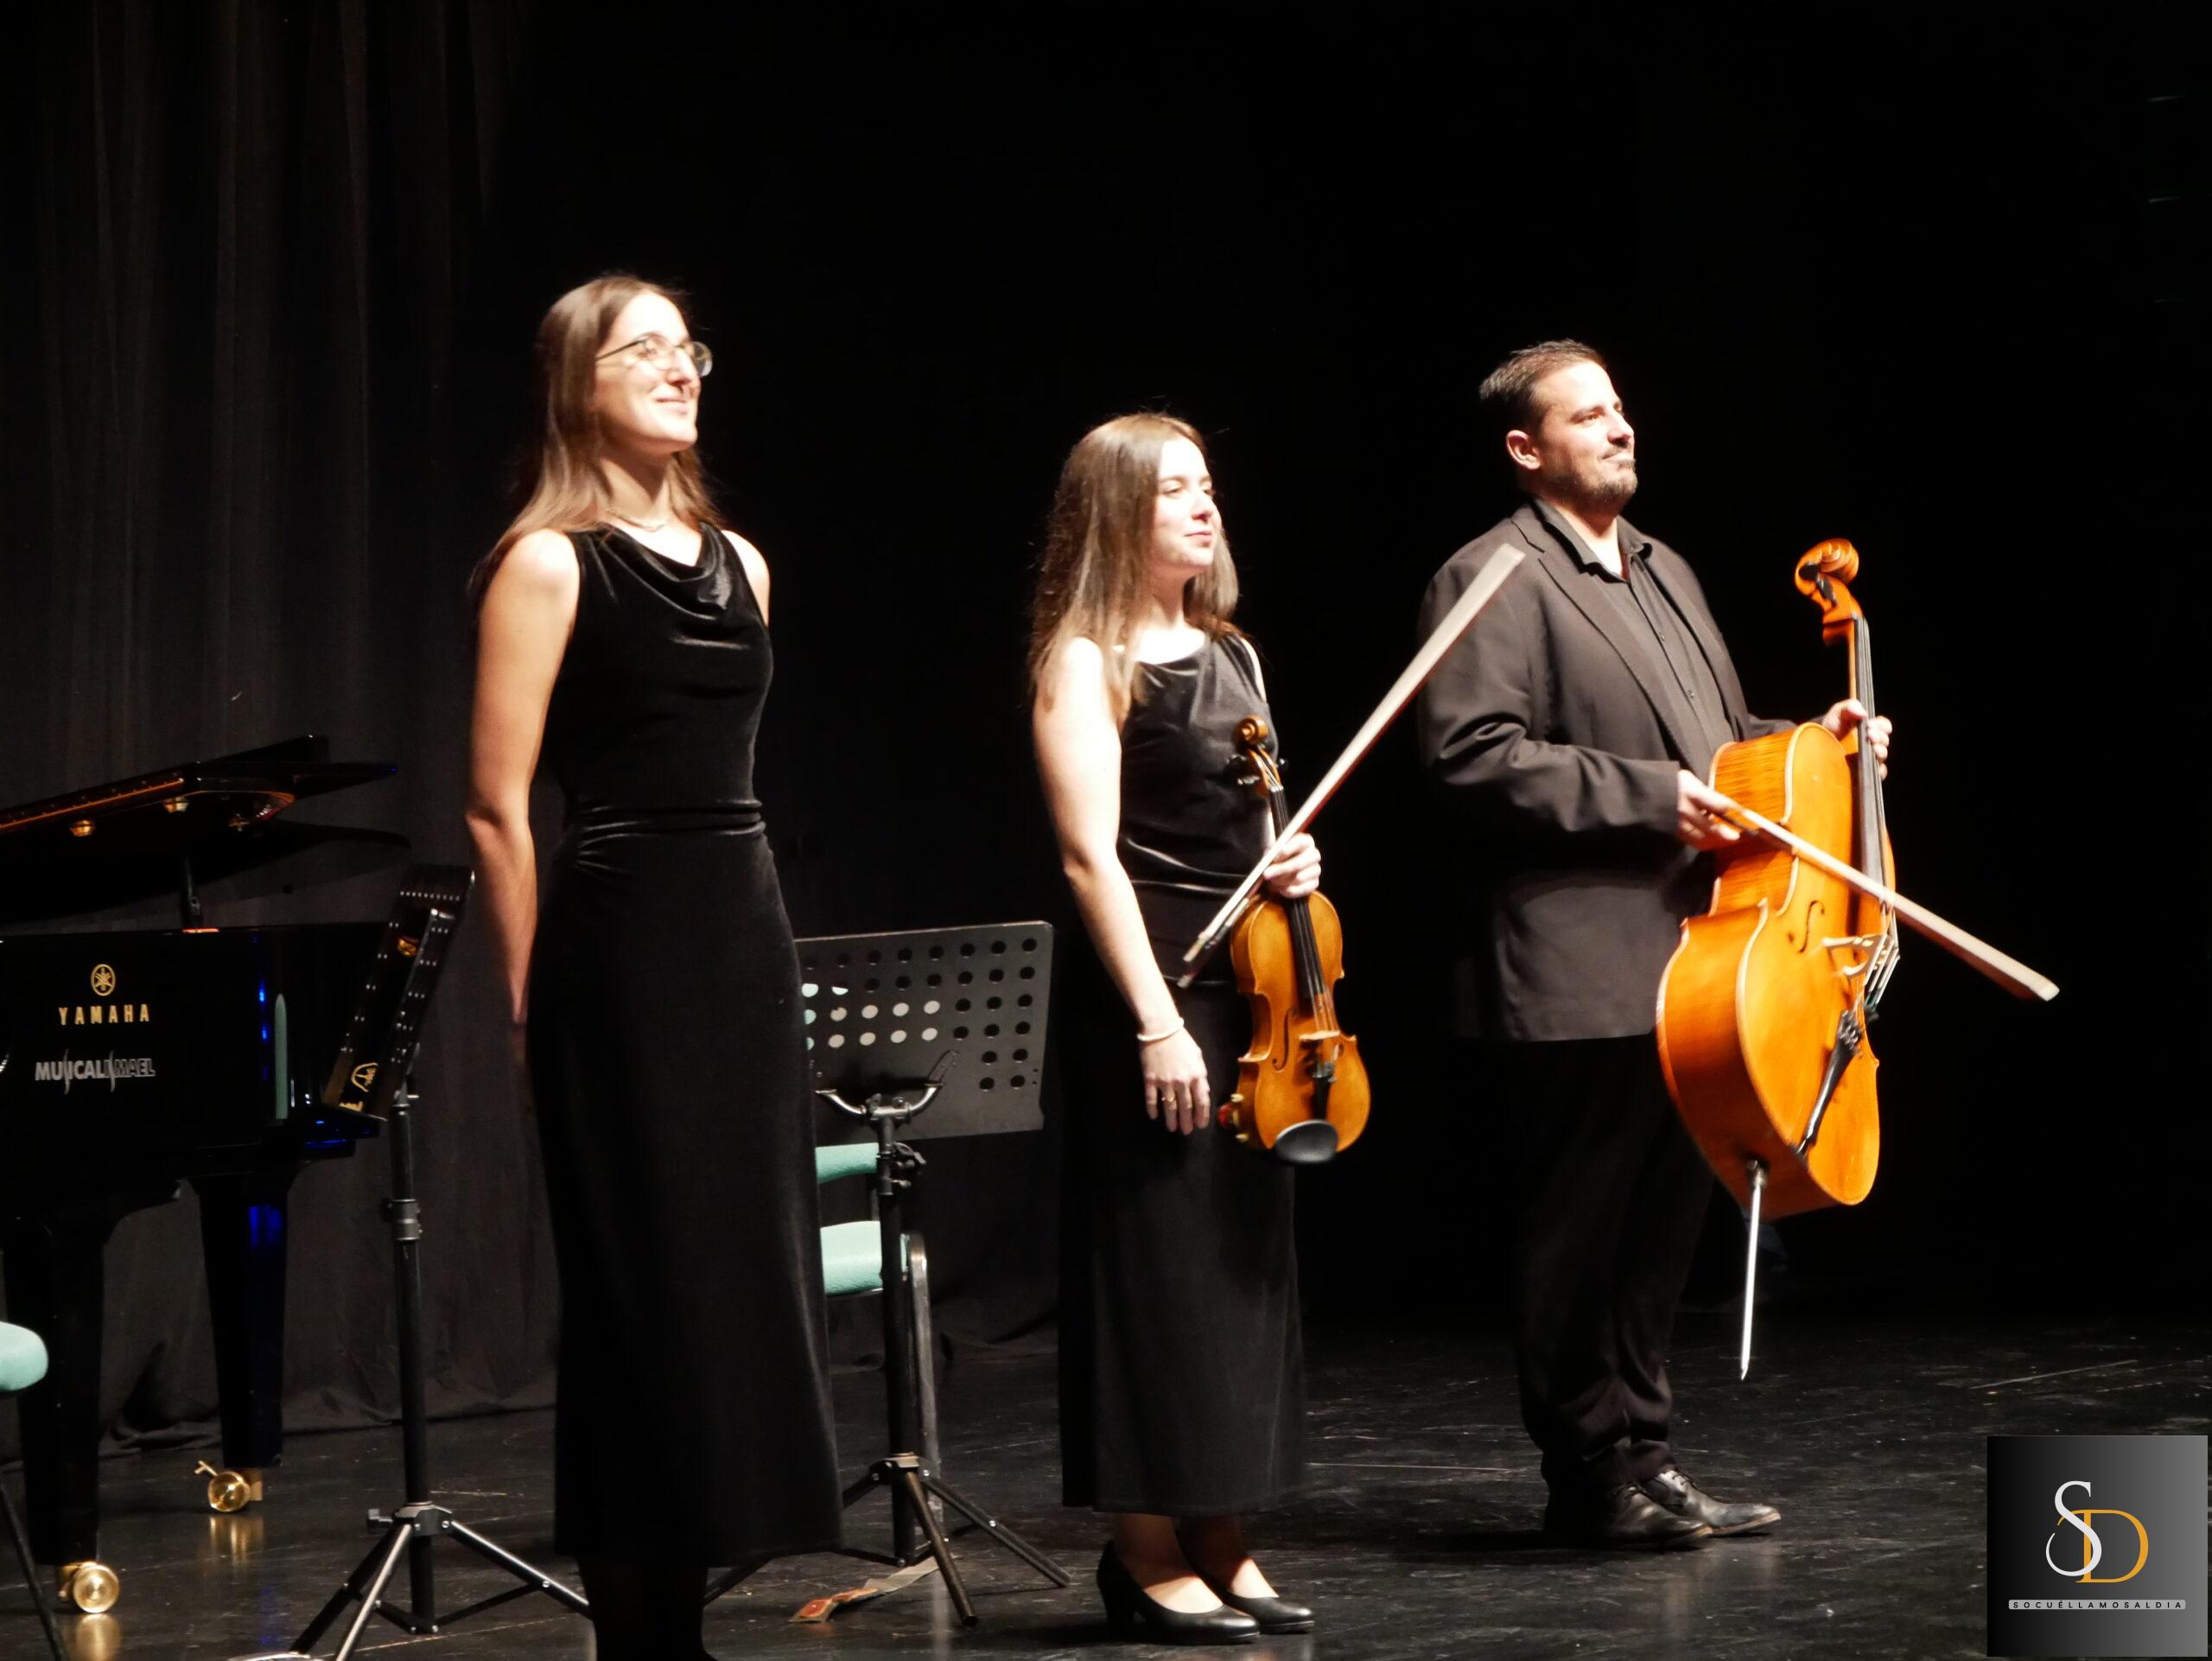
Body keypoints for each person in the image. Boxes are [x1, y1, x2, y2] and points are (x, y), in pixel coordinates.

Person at [1414, 340, 1892, 1550]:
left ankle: (1649, 1452)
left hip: (1695, 958)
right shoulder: (1489, 577)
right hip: (1577, 957)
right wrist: (1647, 796)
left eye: (1620, 408)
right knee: (1582, 1225)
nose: (1620, 429)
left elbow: (1721, 739)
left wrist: (1817, 741)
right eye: (1587, 416)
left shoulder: (1665, 567)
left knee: (1665, 1223)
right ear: (1526, 450)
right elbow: (1473, 755)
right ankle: (1586, 1468)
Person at [465, 275, 839, 1656]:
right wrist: (521, 1005)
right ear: (580, 384)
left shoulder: (743, 564)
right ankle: (642, 1637)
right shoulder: (548, 560)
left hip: (737, 937)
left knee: (735, 1288)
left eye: (690, 348)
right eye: (644, 352)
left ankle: (690, 1608)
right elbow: (498, 809)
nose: (681, 370)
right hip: (615, 950)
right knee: (643, 1298)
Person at [1030, 414, 1320, 1644]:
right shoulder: (1085, 659)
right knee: (1153, 1276)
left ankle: (1223, 1531)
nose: (1205, 508)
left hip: (1251, 995)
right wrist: (1156, 1021)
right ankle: (1142, 1551)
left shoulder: (1233, 653)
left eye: (1208, 485)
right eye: (1174, 492)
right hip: (1149, 994)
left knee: (1233, 1279)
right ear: (1115, 513)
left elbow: (1255, 817)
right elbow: (1089, 858)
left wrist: (1292, 857)